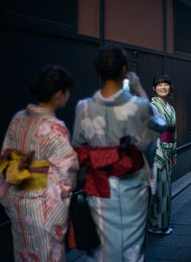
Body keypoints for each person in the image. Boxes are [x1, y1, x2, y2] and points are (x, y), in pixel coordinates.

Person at [71, 42, 166, 261]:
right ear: (125, 71)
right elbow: (159, 126)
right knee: (132, 249)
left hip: (98, 185)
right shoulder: (138, 106)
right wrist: (140, 89)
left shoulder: (83, 107)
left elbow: (79, 149)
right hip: (133, 185)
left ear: (98, 70)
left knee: (103, 250)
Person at [0, 65, 79, 261]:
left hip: (18, 200)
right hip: (43, 206)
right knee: (46, 254)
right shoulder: (56, 128)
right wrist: (64, 196)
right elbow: (67, 174)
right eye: (67, 91)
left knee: (24, 252)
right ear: (59, 94)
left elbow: (5, 157)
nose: (68, 95)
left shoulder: (18, 118)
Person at [147, 74, 177, 235]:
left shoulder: (170, 108)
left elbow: (173, 132)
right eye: (159, 84)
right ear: (154, 88)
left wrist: (173, 152)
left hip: (168, 149)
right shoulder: (151, 107)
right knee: (157, 189)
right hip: (157, 152)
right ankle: (155, 224)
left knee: (166, 188)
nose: (163, 87)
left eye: (166, 84)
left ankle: (163, 223)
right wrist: (158, 153)